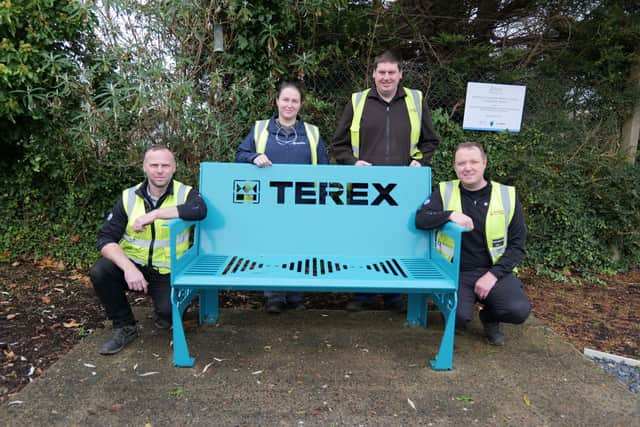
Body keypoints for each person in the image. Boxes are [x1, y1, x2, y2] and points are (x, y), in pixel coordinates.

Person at [331, 49, 440, 312]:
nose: (387, 77)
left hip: (403, 187)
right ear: (373, 74)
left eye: (392, 72)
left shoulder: (415, 100)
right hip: (365, 187)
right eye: (382, 72)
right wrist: (353, 163)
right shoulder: (358, 102)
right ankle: (362, 295)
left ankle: (393, 295)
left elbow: (430, 141)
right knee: (363, 239)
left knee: (398, 238)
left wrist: (420, 161)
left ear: (401, 74)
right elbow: (338, 143)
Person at [90, 145, 207, 355]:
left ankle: (165, 312)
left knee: (168, 314)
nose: (159, 170)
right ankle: (124, 326)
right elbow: (105, 239)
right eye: (154, 165)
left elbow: (200, 210)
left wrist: (155, 214)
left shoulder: (185, 192)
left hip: (167, 271)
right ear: (145, 168)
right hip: (133, 265)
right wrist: (128, 268)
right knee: (100, 271)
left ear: (174, 168)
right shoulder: (129, 197)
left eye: (165, 165)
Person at [415, 141, 530, 345]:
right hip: (456, 271)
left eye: (473, 162)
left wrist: (492, 275)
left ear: (484, 163)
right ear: (454, 166)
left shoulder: (507, 196)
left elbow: (517, 245)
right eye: (461, 163)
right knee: (458, 319)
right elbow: (421, 219)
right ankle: (461, 312)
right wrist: (450, 215)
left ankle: (490, 318)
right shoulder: (445, 191)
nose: (467, 167)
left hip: (493, 269)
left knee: (517, 310)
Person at [236, 80, 329, 314]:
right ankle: (274, 296)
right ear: (277, 101)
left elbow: (325, 167)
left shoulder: (312, 132)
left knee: (299, 246)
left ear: (300, 105)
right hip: (269, 203)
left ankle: (296, 295)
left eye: (294, 101)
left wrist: (321, 201)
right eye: (285, 99)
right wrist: (253, 157)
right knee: (271, 246)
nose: (289, 104)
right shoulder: (259, 129)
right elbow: (240, 154)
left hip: (303, 202)